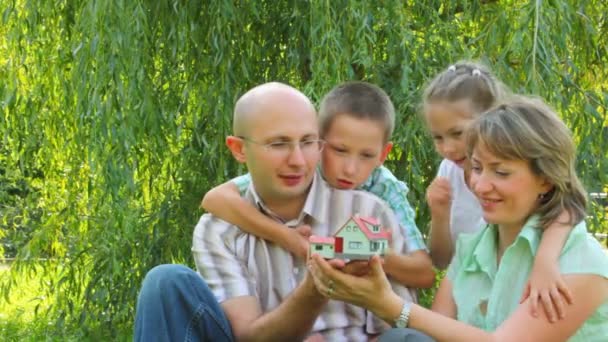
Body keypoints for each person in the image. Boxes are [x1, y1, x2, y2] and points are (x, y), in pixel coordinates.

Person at [134, 82, 434, 341]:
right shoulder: (218, 230)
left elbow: (398, 321)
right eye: (279, 144)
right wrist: (315, 290)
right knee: (165, 281)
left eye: (307, 142)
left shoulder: (368, 209)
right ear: (238, 149)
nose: (298, 161)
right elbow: (248, 336)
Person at [308, 97, 608, 341]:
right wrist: (367, 290)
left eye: (501, 172)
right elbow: (435, 329)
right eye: (476, 168)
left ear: (545, 180)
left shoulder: (580, 260)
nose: (479, 185)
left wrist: (387, 304)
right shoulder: (473, 248)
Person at [201, 81, 433, 289]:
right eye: (339, 150)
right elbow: (214, 199)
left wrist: (372, 253)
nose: (350, 169)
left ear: (383, 154)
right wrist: (288, 237)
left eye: (366, 155)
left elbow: (424, 273)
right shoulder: (301, 172)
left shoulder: (384, 187)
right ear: (317, 141)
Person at [423, 61, 574, 320]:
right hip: (473, 294)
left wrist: (545, 262)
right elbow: (441, 259)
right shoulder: (448, 173)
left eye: (457, 133)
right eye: (437, 137)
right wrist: (439, 214)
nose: (448, 148)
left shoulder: (532, 179)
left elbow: (567, 207)